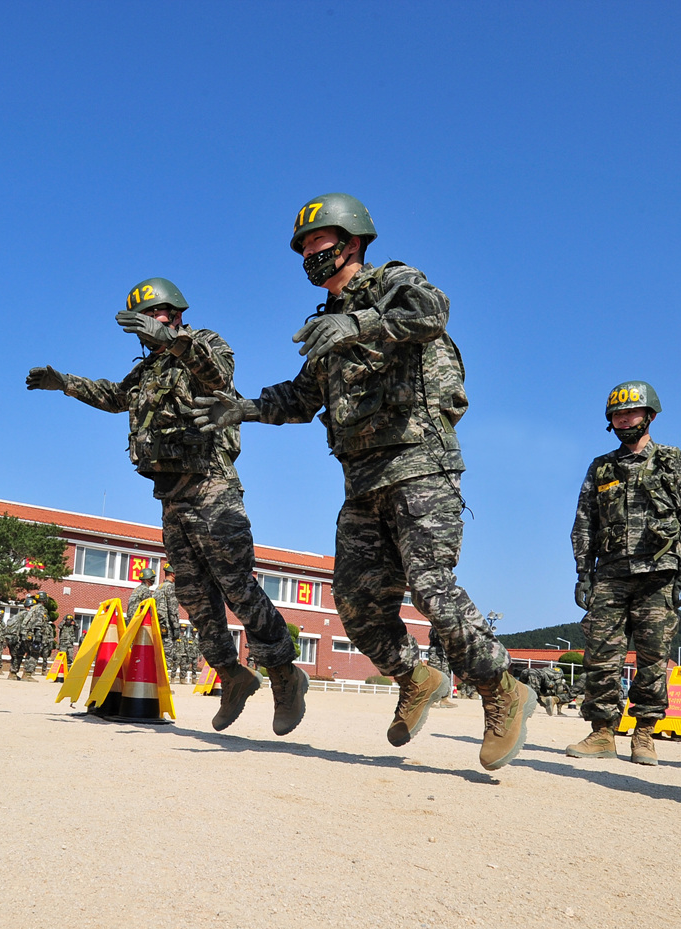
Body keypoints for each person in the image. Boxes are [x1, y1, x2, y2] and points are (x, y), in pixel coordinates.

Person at [192, 194, 533, 770]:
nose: (308, 257)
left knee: (430, 584)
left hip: (420, 463)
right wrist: (242, 408)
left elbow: (433, 312)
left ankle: (501, 688)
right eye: (302, 249)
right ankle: (414, 676)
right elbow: (302, 397)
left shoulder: (394, 283)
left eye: (317, 245)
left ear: (350, 243)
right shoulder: (324, 326)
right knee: (354, 603)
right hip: (362, 481)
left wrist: (359, 322)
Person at [27, 276, 309, 735]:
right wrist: (67, 384)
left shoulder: (202, 343)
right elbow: (116, 397)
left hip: (212, 486)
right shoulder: (147, 372)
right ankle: (233, 674)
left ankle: (284, 675)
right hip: (171, 496)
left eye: (156, 315)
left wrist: (175, 342)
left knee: (237, 586)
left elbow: (219, 377)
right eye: (142, 321)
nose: (148, 326)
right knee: (194, 596)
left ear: (176, 313)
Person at [565, 381, 681, 766]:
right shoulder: (601, 467)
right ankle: (601, 733)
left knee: (652, 657)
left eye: (631, 413)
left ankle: (644, 734)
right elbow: (584, 522)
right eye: (617, 414)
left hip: (658, 574)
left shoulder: (675, 462)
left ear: (649, 415)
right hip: (610, 575)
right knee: (600, 655)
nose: (624, 419)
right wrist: (583, 572)